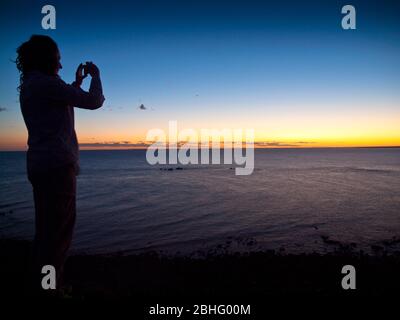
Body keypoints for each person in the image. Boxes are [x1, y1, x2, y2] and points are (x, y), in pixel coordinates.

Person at [16, 35, 105, 294]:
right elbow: (93, 101)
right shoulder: (46, 85)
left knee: (46, 231)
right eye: (58, 60)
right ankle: (52, 290)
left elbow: (62, 95)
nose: (61, 65)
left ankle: (42, 285)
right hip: (57, 167)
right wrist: (96, 75)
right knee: (59, 234)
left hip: (40, 165)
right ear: (48, 59)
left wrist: (76, 82)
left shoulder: (34, 85)